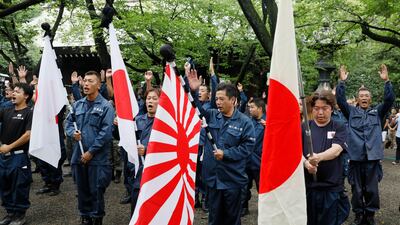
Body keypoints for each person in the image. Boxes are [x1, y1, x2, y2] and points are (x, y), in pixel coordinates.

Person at [187, 70, 255, 225]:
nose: (217, 102)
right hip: (212, 180)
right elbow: (194, 108)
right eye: (216, 98)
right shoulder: (211, 115)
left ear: (233, 100)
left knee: (232, 220)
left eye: (221, 99)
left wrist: (226, 153)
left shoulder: (244, 122)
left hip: (233, 180)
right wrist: (193, 90)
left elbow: (247, 147)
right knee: (214, 220)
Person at [336, 64, 395, 225]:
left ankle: (370, 215)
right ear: (357, 98)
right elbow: (340, 100)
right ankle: (358, 214)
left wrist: (387, 81)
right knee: (356, 189)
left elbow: (389, 100)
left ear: (370, 99)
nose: (364, 98)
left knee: (372, 189)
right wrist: (342, 82)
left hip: (372, 158)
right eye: (361, 95)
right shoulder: (351, 112)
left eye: (366, 95)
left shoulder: (378, 113)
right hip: (355, 158)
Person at [65, 71, 114, 225]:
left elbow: (105, 133)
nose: (86, 84)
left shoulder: (106, 106)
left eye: (90, 81)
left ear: (98, 85)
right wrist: (73, 134)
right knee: (82, 189)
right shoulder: (77, 105)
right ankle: (85, 216)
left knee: (96, 190)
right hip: (78, 156)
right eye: (84, 81)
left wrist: (91, 152)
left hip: (98, 158)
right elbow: (68, 123)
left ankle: (96, 217)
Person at [303, 90, 350, 225]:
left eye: (325, 108)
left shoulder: (339, 126)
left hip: (331, 188)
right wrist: (306, 163)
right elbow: (296, 153)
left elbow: (336, 150)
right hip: (309, 187)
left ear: (332, 108)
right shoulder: (304, 127)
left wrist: (318, 157)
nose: (320, 113)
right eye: (316, 108)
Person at [0, 83, 33, 225]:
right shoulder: (6, 110)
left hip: (19, 156)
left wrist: (10, 147)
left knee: (19, 186)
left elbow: (28, 135)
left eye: (17, 92)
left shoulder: (29, 113)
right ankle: (10, 212)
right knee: (5, 185)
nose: (13, 93)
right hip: (4, 157)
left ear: (26, 96)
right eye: (13, 91)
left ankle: (19, 215)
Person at [131, 87, 161, 215]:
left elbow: (166, 148)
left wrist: (147, 150)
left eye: (155, 98)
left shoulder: (164, 124)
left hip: (156, 173)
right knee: (137, 206)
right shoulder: (138, 120)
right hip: (138, 171)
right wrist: (117, 126)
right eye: (149, 98)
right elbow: (124, 139)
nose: (151, 101)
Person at [241, 98, 266, 216]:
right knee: (244, 185)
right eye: (249, 107)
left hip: (260, 161)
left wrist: (269, 127)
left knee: (262, 187)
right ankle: (243, 207)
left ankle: (264, 209)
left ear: (260, 109)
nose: (249, 109)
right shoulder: (248, 121)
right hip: (247, 160)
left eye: (252, 107)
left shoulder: (268, 121)